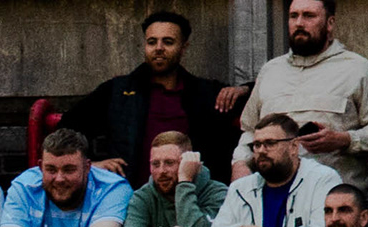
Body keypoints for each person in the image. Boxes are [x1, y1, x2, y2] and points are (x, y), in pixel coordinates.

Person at [230, 0, 368, 191]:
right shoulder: (270, 71)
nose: (299, 23)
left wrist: (344, 139)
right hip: (273, 195)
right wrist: (240, 164)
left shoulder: (357, 69)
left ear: (330, 23)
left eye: (309, 16)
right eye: (294, 16)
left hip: (334, 200)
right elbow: (249, 130)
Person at [61, 11, 238, 188]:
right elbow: (66, 127)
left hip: (191, 196)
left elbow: (258, 102)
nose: (159, 48)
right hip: (130, 197)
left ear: (184, 48)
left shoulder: (205, 93)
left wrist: (243, 89)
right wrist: (91, 166)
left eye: (168, 42)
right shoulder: (118, 91)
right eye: (152, 42)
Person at [204, 114, 338, 227]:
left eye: (270, 143)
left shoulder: (322, 179)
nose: (261, 151)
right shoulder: (240, 188)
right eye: (257, 144)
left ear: (294, 147)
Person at [0, 128, 132, 227]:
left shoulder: (113, 188)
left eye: (69, 170)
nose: (59, 178)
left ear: (87, 167)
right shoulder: (24, 185)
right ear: (40, 167)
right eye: (51, 169)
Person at [118, 132, 228, 227]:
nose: (161, 171)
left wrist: (185, 182)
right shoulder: (143, 197)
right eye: (155, 164)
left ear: (190, 164)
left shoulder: (218, 193)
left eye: (169, 163)